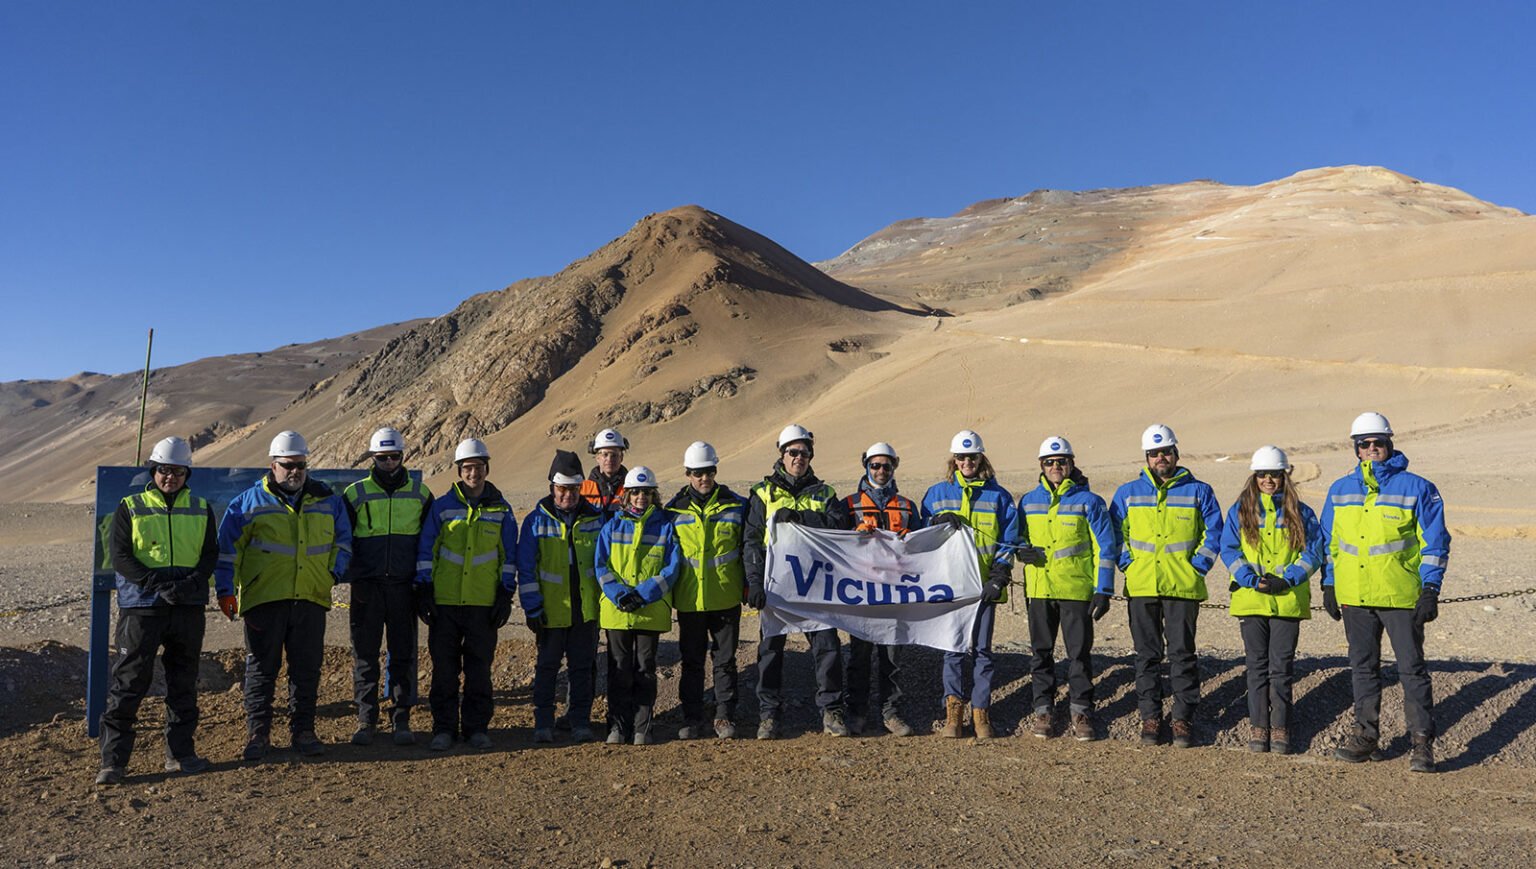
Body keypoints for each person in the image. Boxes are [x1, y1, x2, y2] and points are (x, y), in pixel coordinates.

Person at [1321, 412, 1450, 773]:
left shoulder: (1418, 488)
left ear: (1389, 444)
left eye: (1379, 442)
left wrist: (1430, 588)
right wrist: (1329, 582)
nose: (1372, 448)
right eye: (1365, 443)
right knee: (1363, 668)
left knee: (1412, 669)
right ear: (1356, 448)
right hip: (1355, 597)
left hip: (1400, 597)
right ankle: (1366, 735)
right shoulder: (1340, 489)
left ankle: (1422, 743)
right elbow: (1330, 542)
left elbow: (1435, 542)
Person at [216, 430, 352, 761]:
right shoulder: (247, 504)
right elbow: (227, 552)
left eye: (301, 465)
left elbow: (344, 542)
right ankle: (258, 735)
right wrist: (224, 591)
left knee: (306, 670)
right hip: (265, 600)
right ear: (273, 465)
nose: (295, 471)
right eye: (288, 465)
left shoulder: (327, 501)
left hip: (310, 598)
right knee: (262, 669)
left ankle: (303, 732)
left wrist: (332, 573)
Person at [96, 437, 221, 785]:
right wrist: (155, 584)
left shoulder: (200, 507)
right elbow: (120, 556)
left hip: (186, 608)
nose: (171, 477)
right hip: (142, 608)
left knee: (183, 682)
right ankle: (113, 763)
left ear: (187, 474)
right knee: (129, 683)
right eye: (165, 470)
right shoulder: (130, 506)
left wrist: (187, 585)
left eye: (178, 471)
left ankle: (181, 754)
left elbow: (210, 553)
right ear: (154, 470)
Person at [1110, 424, 1222, 749]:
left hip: (1182, 587)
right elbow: (1116, 532)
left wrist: (1197, 566)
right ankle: (1150, 716)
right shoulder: (1128, 493)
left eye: (1166, 452)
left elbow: (1213, 532)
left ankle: (1182, 717)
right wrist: (1128, 563)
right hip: (1142, 586)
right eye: (1155, 453)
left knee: (1182, 654)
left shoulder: (1199, 491)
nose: (1161, 457)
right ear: (1146, 457)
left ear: (1176, 453)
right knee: (1146, 656)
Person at [744, 424, 852, 740]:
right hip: (775, 587)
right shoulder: (763, 493)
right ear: (782, 454)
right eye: (793, 452)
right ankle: (768, 714)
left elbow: (839, 527)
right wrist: (753, 581)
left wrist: (802, 519)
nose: (798, 458)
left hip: (816, 585)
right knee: (770, 650)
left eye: (804, 453)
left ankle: (832, 711)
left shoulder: (824, 493)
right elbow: (751, 539)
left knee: (827, 649)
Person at [1219, 446, 1324, 755]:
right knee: (1256, 666)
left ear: (1284, 476)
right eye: (1262, 474)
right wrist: (1250, 579)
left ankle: (1279, 727)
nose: (1268, 480)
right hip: (1251, 599)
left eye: (1274, 474)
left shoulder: (1301, 512)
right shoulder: (1240, 510)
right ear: (1255, 476)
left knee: (1281, 667)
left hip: (1287, 599)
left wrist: (1288, 579)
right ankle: (1258, 726)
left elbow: (1314, 552)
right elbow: (1229, 550)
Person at [415, 438, 518, 752]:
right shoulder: (442, 507)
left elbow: (508, 555)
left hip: (482, 605)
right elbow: (427, 549)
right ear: (460, 471)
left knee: (479, 670)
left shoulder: (501, 510)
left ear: (487, 469)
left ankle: (476, 728)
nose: (473, 473)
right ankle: (444, 728)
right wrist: (424, 588)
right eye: (467, 467)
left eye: (478, 467)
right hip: (445, 604)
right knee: (444, 670)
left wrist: (505, 594)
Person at [922, 430, 1020, 741]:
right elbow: (919, 534)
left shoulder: (999, 497)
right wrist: (933, 523)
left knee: (982, 651)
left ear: (982, 458)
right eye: (961, 457)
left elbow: (1009, 539)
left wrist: (1000, 574)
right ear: (954, 460)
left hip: (984, 588)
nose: (967, 462)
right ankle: (954, 710)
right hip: (950, 588)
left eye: (972, 457)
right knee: (952, 650)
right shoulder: (936, 494)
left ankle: (981, 711)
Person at [1018, 436, 1116, 742]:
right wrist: (1022, 551)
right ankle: (1043, 709)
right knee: (1041, 653)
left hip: (1076, 590)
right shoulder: (1028, 500)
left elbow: (1106, 547)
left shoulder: (1090, 502)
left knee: (1078, 654)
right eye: (1050, 462)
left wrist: (1104, 589)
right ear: (1041, 466)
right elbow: (1017, 536)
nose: (1056, 467)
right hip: (1039, 589)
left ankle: (1081, 709)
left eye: (1061, 461)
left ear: (1071, 464)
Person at [342, 427, 433, 747]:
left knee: (403, 654)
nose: (389, 462)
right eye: (382, 458)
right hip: (367, 588)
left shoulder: (421, 494)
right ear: (373, 458)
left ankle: (401, 718)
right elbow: (343, 540)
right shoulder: (354, 494)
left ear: (402, 456)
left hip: (403, 589)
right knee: (365, 655)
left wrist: (424, 586)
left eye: (394, 456)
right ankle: (366, 720)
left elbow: (428, 542)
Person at [516, 450, 606, 743]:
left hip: (585, 611)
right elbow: (527, 569)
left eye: (573, 489)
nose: (568, 494)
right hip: (551, 611)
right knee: (547, 668)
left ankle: (580, 721)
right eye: (562, 488)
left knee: (582, 669)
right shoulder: (535, 521)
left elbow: (605, 563)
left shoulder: (596, 520)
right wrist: (532, 609)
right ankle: (543, 722)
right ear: (552, 488)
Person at [665, 442, 749, 740]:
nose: (704, 478)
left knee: (725, 661)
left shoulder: (736, 505)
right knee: (692, 661)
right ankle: (692, 717)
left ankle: (724, 716)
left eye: (709, 471)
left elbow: (748, 547)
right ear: (688, 473)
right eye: (698, 472)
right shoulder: (672, 510)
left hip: (726, 597)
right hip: (689, 600)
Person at [595, 466, 681, 745]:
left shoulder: (665, 527)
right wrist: (621, 594)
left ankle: (643, 726)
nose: (641, 497)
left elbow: (672, 567)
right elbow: (601, 566)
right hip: (617, 611)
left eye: (646, 492)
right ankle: (617, 727)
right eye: (636, 492)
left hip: (649, 610)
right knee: (619, 668)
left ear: (653, 494)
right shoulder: (612, 526)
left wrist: (642, 595)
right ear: (627, 495)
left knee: (645, 668)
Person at [840, 442, 921, 737]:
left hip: (895, 593)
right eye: (875, 465)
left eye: (887, 466)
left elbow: (924, 547)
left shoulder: (907, 506)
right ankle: (856, 711)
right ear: (866, 467)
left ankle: (890, 711)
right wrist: (853, 535)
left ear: (894, 467)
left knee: (891, 658)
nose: (881, 471)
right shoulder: (849, 505)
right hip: (861, 593)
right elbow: (833, 543)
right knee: (859, 656)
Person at [581, 428, 630, 517]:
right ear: (597, 457)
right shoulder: (582, 489)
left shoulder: (631, 489)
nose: (609, 459)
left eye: (614, 455)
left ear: (621, 457)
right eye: (605, 454)